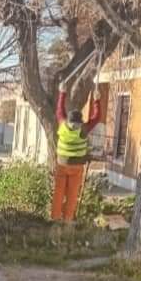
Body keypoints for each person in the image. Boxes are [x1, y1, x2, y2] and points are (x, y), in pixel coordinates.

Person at [52, 83, 101, 222]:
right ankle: (67, 221)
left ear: (69, 120)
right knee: (72, 194)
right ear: (80, 121)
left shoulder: (62, 125)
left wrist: (62, 92)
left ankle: (55, 219)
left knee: (59, 193)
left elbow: (59, 111)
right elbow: (96, 117)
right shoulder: (83, 129)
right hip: (76, 167)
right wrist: (97, 100)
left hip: (62, 164)